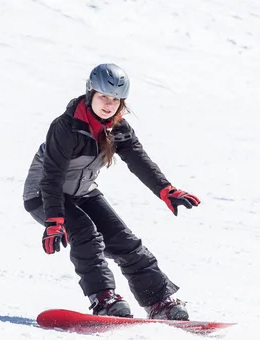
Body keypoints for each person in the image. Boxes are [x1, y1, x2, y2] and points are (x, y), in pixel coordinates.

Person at [23, 63, 200, 320]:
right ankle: (103, 299)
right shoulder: (66, 127)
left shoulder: (117, 128)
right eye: (103, 96)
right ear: (90, 93)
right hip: (44, 195)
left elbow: (139, 161)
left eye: (115, 99)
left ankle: (160, 302)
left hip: (83, 192)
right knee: (85, 233)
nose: (109, 104)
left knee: (126, 243)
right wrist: (54, 221)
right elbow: (51, 177)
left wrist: (166, 190)